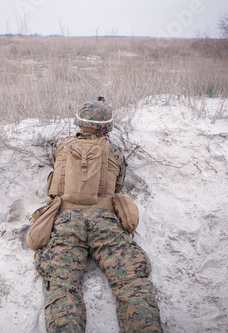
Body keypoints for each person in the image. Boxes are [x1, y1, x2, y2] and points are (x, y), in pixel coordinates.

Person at [34, 99, 163, 332]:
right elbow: (119, 185)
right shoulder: (115, 151)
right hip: (105, 221)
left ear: (79, 124)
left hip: (66, 221)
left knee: (62, 286)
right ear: (107, 127)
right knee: (131, 282)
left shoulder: (62, 145)